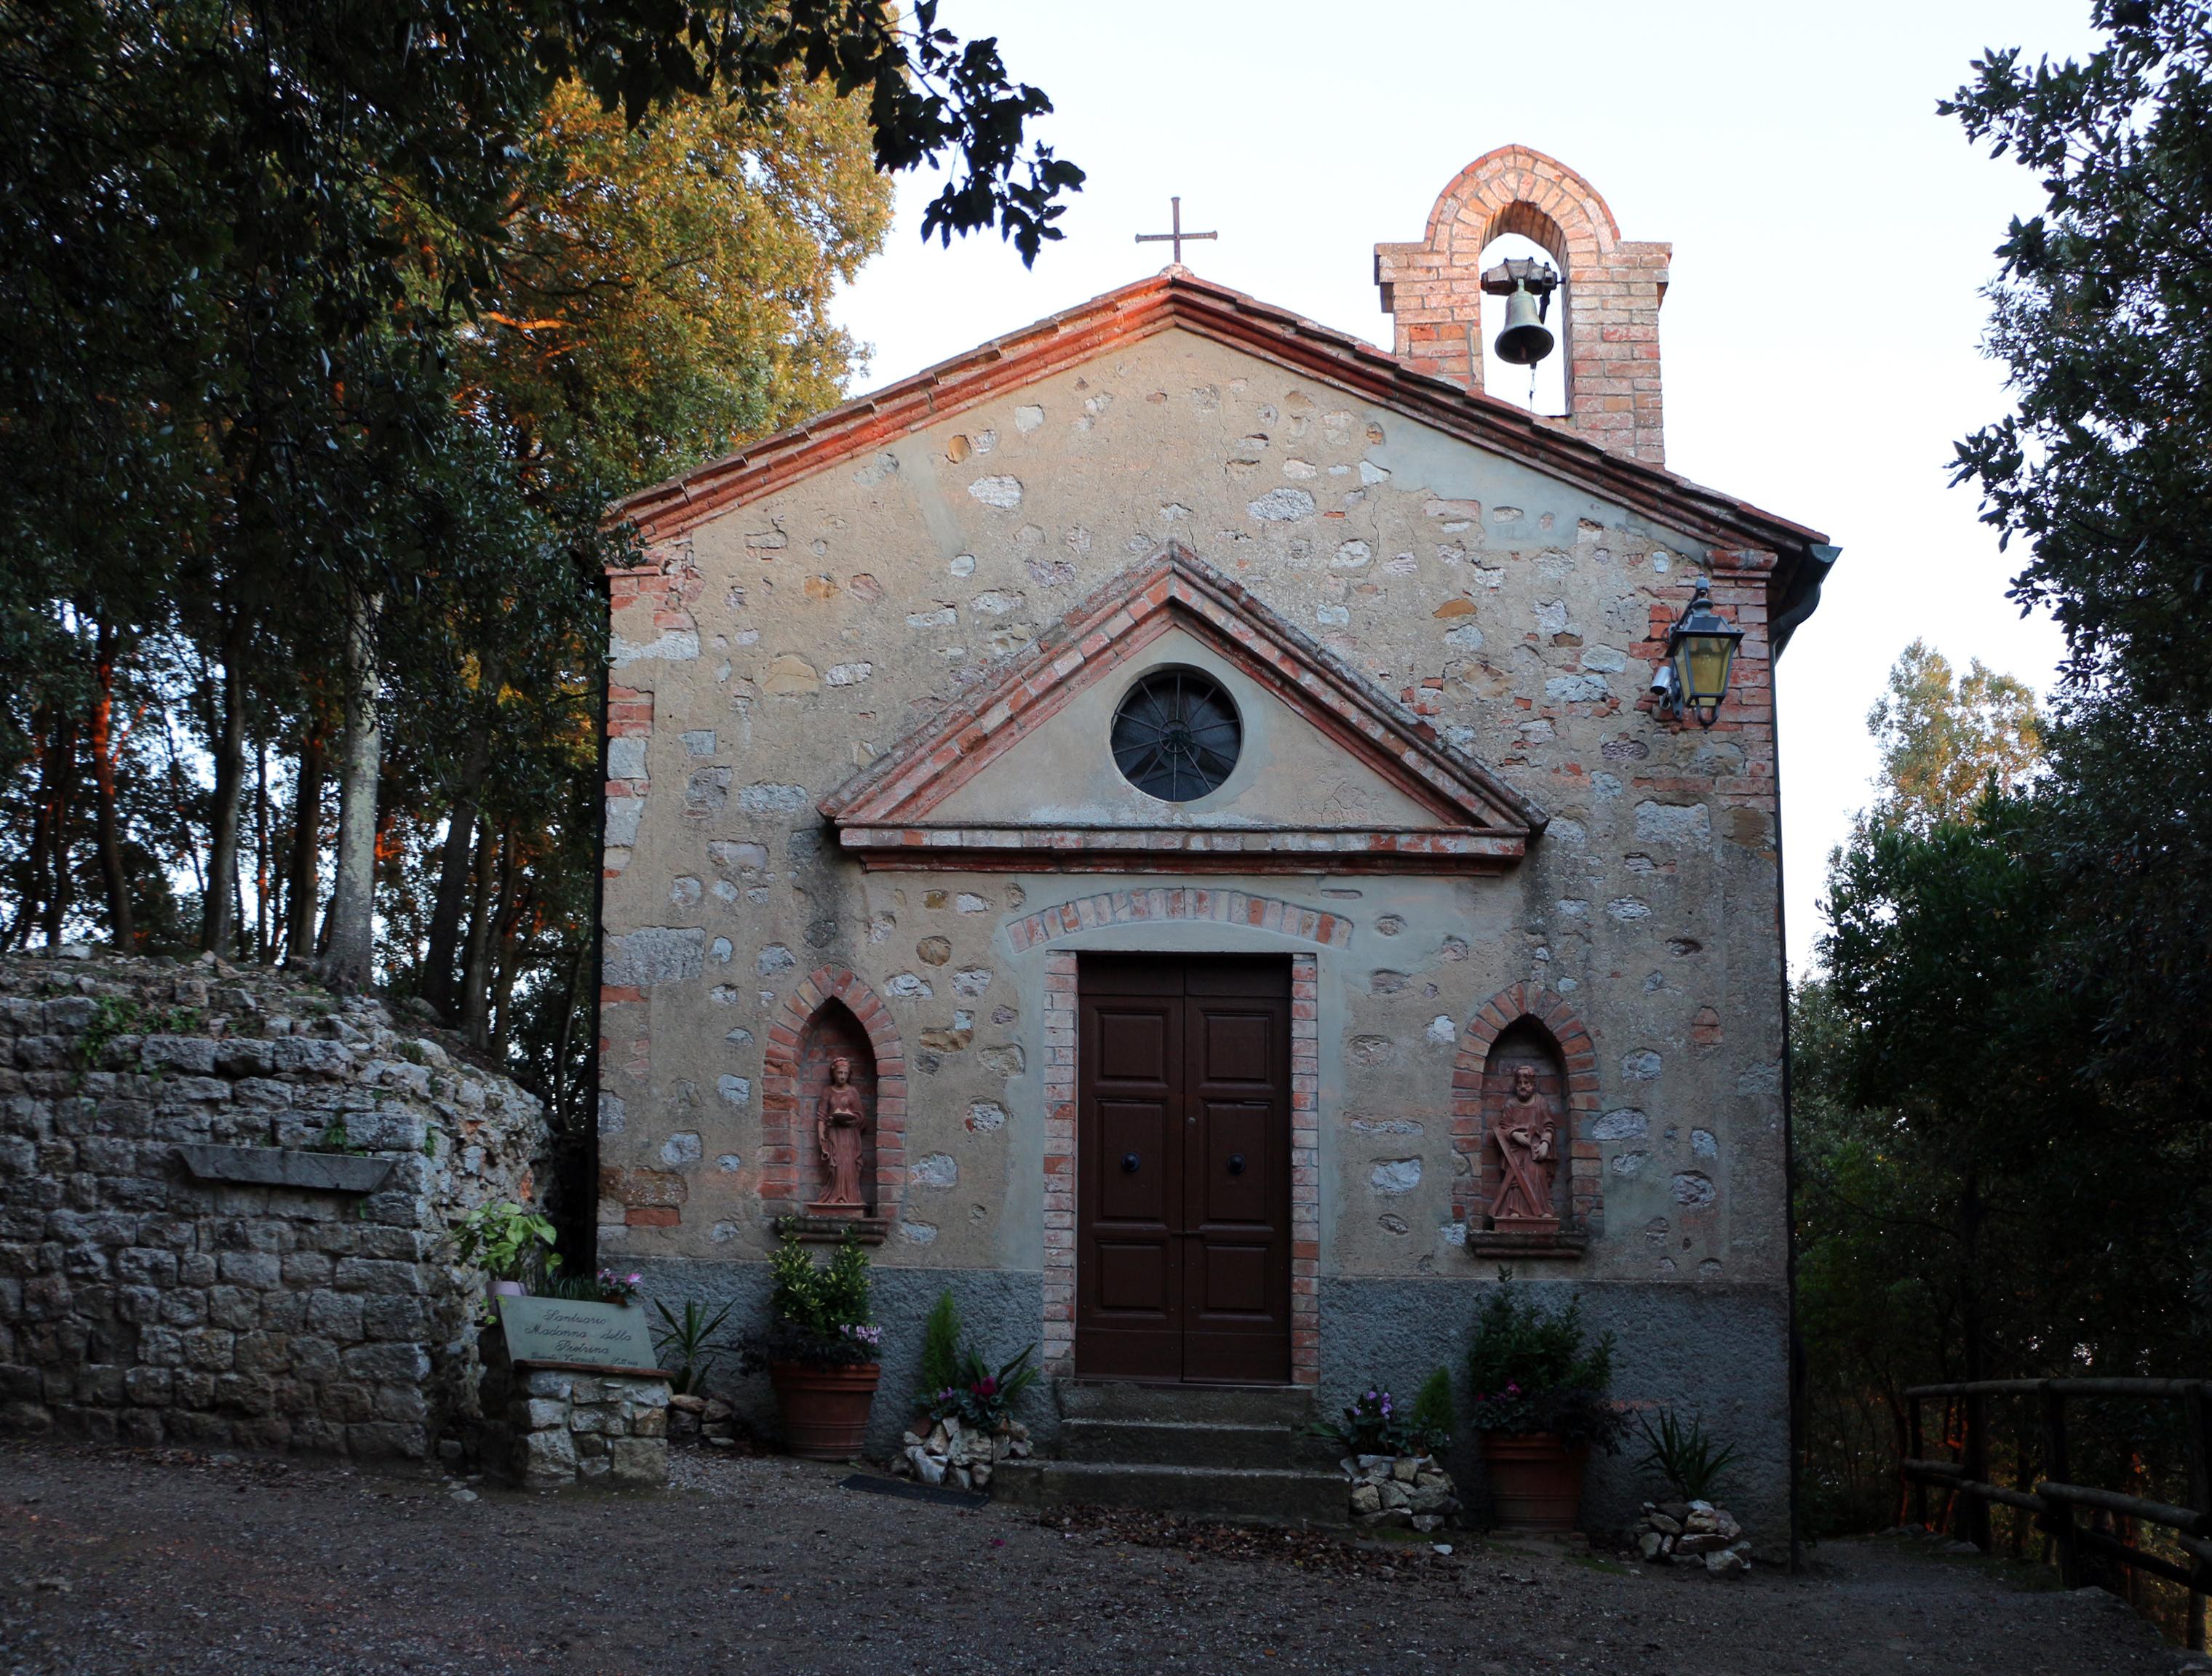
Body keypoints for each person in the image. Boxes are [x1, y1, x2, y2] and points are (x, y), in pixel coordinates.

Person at [1489, 1062, 1558, 1224]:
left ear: (1533, 1085)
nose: (1523, 1086)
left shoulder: (1540, 1102)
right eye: (1519, 1083)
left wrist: (1545, 1143)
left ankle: (1541, 1210)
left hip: (1535, 1151)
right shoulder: (1511, 1105)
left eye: (1526, 1083)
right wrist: (1514, 1134)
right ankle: (1515, 1210)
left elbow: (1549, 1126)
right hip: (1516, 1150)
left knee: (1537, 1176)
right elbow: (1502, 1128)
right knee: (1515, 1178)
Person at [815, 1056, 867, 1208]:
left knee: (848, 1165)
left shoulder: (853, 1092)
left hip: (850, 1136)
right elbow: (821, 1118)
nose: (842, 1076)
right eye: (839, 1073)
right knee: (834, 1166)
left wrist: (851, 1118)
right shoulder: (828, 1092)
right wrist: (822, 1141)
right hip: (833, 1135)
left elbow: (862, 1117)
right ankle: (833, 1195)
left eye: (845, 1073)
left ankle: (851, 1197)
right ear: (833, 1073)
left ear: (849, 1074)